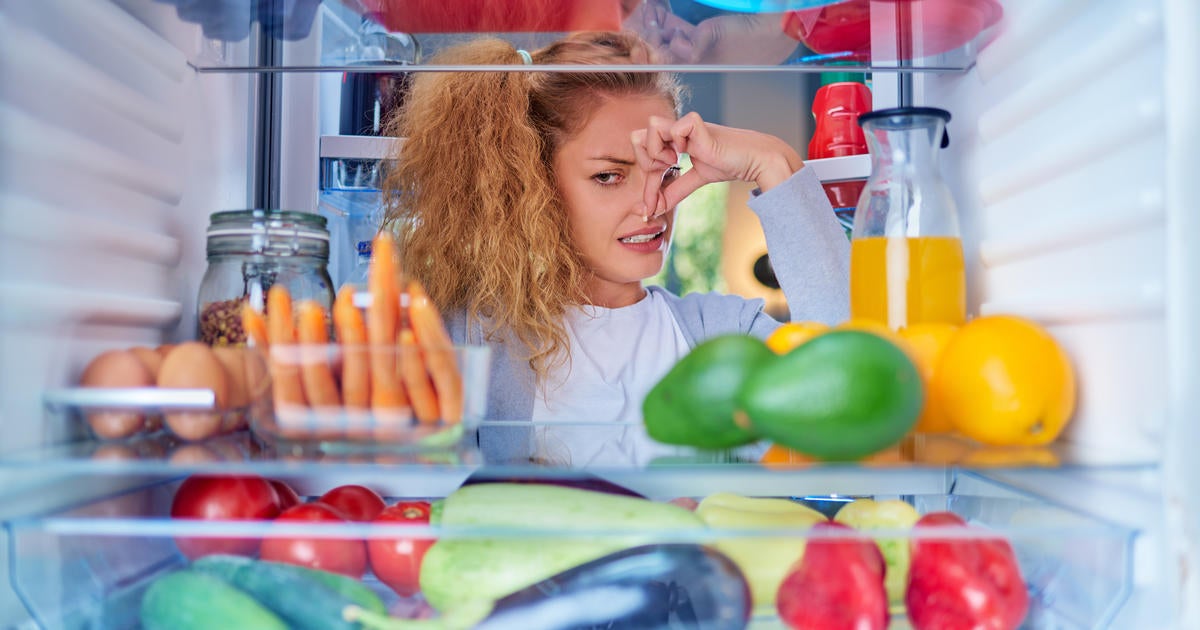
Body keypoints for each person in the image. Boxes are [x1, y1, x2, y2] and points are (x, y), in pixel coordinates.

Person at [381, 31, 848, 465]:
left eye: (665, 174)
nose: (652, 206)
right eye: (609, 176)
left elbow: (855, 382)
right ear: (532, 184)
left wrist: (770, 161)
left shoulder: (722, 334)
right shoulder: (469, 335)